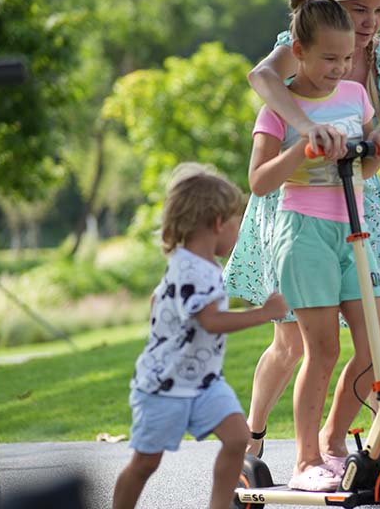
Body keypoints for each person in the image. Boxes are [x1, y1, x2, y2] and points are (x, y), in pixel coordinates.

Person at [223, 0, 380, 461]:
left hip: (355, 197)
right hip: (296, 209)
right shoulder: (299, 46)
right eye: (359, 10)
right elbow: (264, 85)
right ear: (331, 8)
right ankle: (257, 434)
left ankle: (354, 447)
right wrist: (305, 133)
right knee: (296, 344)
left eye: (379, 9)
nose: (371, 22)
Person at [244, 0, 380, 492]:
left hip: (354, 229)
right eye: (329, 58)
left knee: (376, 343)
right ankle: (305, 460)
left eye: (347, 58)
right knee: (323, 350)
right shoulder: (280, 107)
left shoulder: (355, 95)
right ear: (299, 51)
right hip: (302, 232)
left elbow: (367, 165)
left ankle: (333, 441)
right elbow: (260, 181)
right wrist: (301, 151)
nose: (339, 67)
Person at [112, 163, 288, 509]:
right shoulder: (193, 269)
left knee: (238, 439)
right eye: (237, 222)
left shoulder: (194, 265)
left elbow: (158, 300)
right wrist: (263, 314)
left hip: (204, 382)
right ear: (218, 222)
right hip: (165, 386)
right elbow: (210, 321)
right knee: (145, 463)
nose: (240, 230)